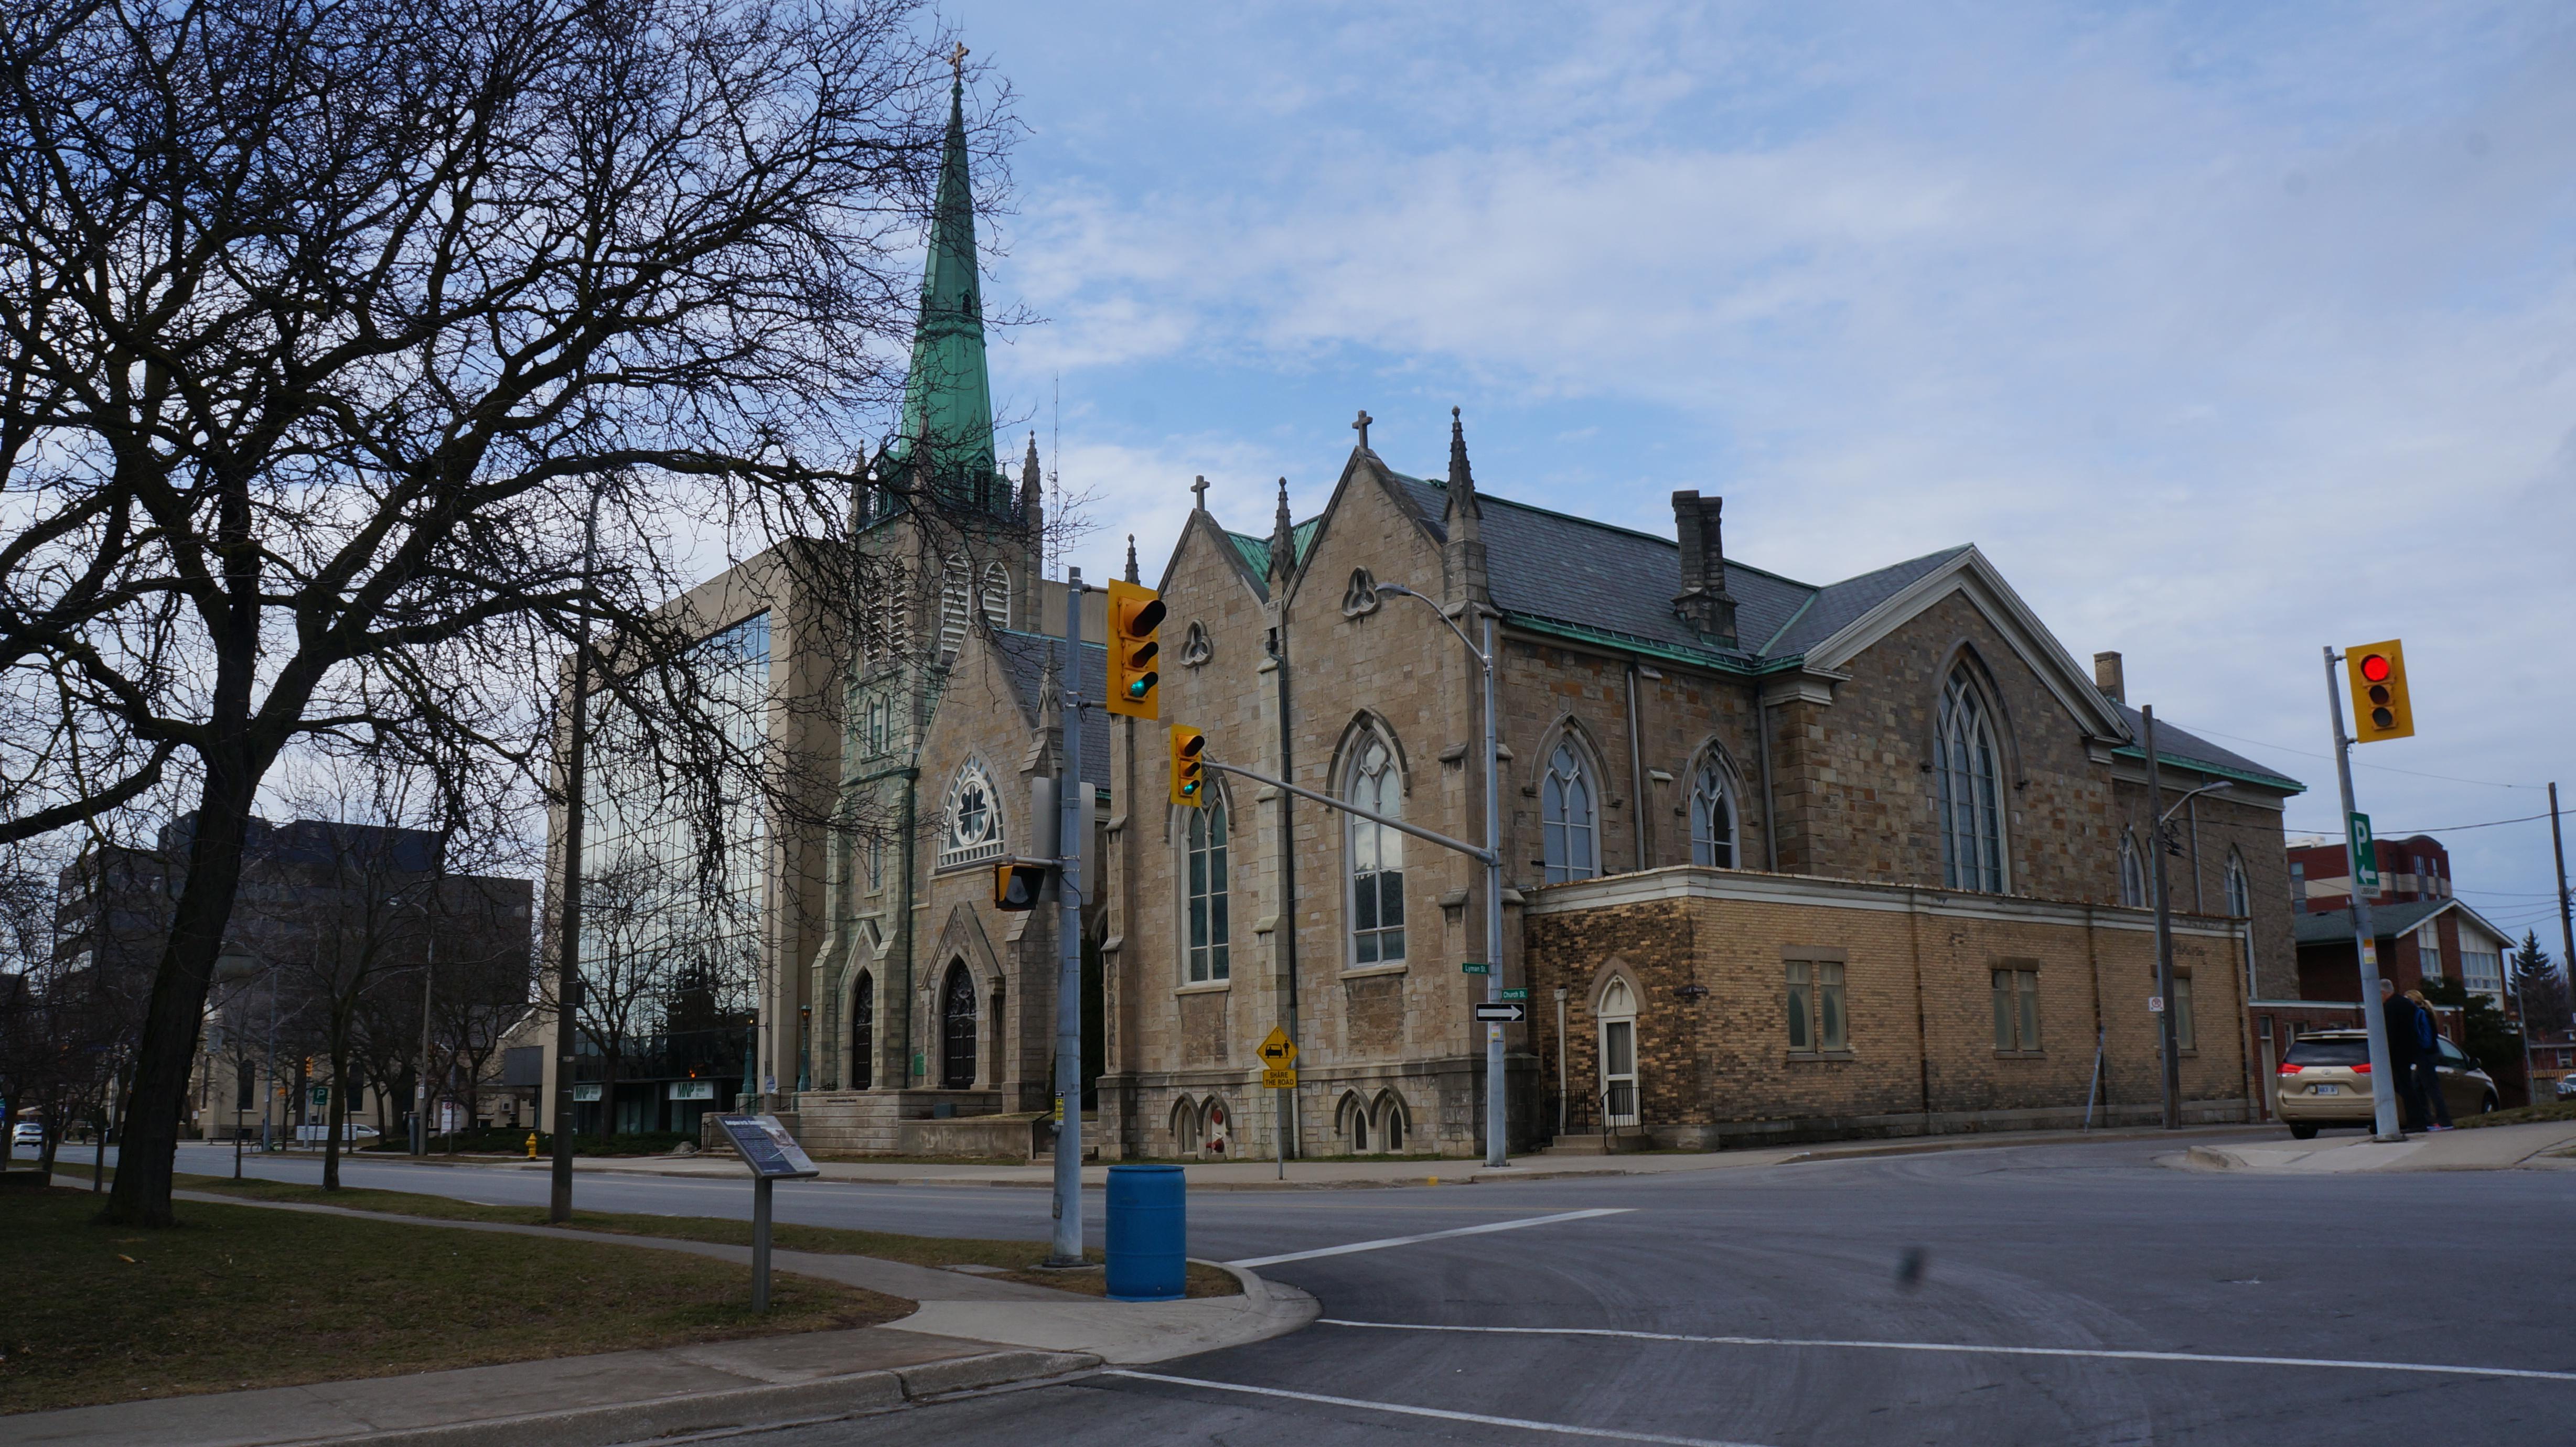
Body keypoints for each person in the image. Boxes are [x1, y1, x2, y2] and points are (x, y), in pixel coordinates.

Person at [2379, 978, 2430, 1133]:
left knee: (2405, 1087)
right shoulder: (2406, 1004)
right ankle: (2419, 1119)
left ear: (2384, 993)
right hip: (2410, 1051)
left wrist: (2387, 1053)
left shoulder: (2391, 1007)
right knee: (2406, 1086)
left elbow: (2391, 1033)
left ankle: (2416, 1122)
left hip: (2398, 1053)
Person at [2405, 989, 2454, 1130]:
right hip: (2428, 1054)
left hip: (2426, 1054)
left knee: (2431, 1087)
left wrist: (2418, 1046)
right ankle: (2427, 1119)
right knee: (2419, 1085)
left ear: (2413, 1001)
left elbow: (2425, 1038)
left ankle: (2444, 1121)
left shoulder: (2421, 1014)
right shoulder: (2425, 1013)